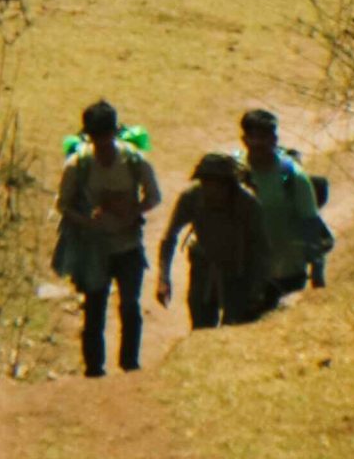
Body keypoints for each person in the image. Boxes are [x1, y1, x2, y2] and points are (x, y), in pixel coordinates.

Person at [57, 98, 160, 376]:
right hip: (94, 249)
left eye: (106, 136)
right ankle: (94, 370)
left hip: (128, 245)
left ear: (115, 132)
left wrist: (132, 211)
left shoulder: (134, 161)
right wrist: (86, 221)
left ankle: (130, 366)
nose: (102, 144)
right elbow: (62, 205)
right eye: (96, 138)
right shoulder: (78, 165)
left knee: (130, 306)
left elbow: (154, 196)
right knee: (94, 311)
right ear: (88, 136)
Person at [154, 150, 272, 328]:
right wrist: (163, 279)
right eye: (206, 183)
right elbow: (169, 237)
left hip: (238, 274)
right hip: (203, 271)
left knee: (234, 329)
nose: (211, 190)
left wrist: (257, 289)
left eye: (217, 185)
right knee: (201, 329)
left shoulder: (248, 204)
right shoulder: (192, 198)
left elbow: (262, 249)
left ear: (229, 185)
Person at [238, 107, 331, 305]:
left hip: (288, 272)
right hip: (245, 273)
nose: (261, 143)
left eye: (266, 137)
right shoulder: (234, 173)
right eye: (255, 137)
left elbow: (310, 222)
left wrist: (317, 270)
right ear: (244, 139)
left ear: (275, 139)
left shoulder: (292, 176)